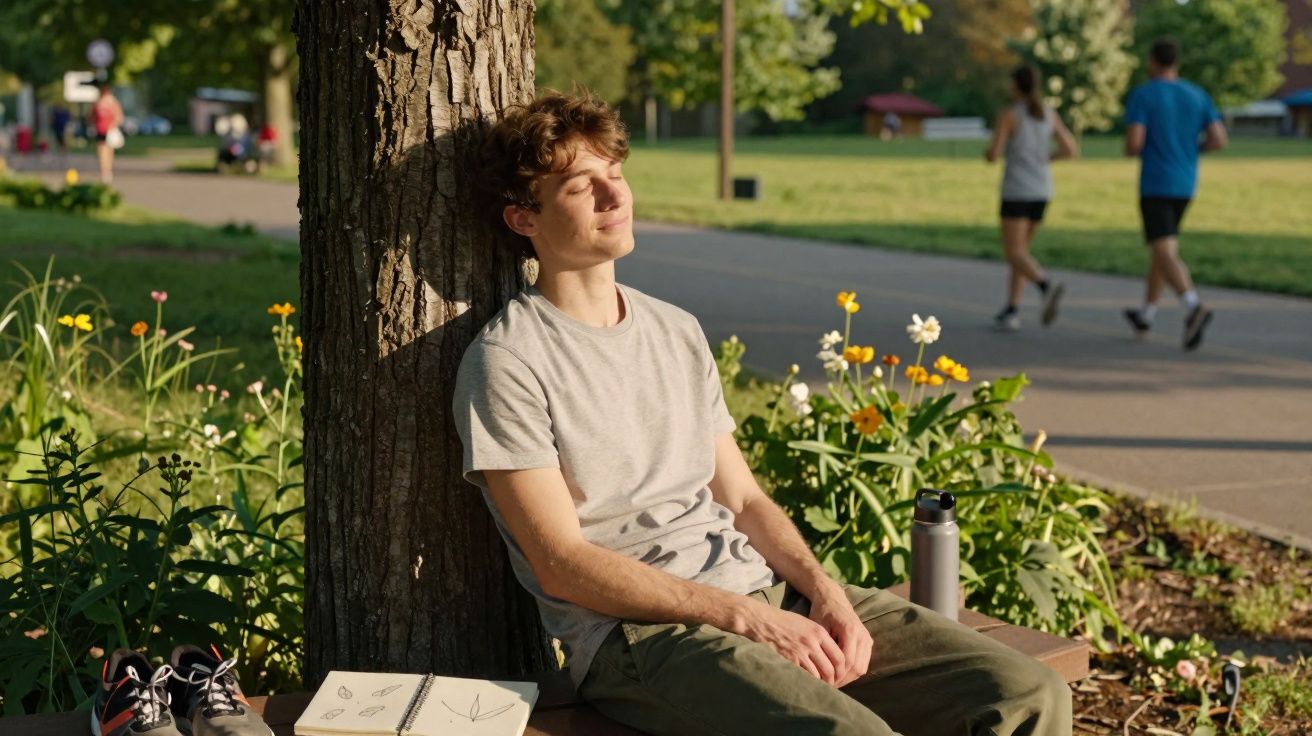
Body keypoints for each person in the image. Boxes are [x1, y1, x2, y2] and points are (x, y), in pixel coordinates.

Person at [451, 90, 1071, 736]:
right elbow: (562, 562)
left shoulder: (676, 330)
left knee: (1030, 693)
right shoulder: (507, 362)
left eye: (617, 174)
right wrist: (745, 618)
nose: (615, 197)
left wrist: (826, 592)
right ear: (525, 219)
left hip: (764, 590)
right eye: (583, 186)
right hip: (643, 640)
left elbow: (743, 498)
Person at [1123, 38, 1227, 350]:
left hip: (1157, 182)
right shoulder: (1197, 94)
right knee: (1161, 248)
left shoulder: (1144, 95)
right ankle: (1147, 313)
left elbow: (1134, 143)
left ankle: (1193, 305)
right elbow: (1219, 138)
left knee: (1165, 251)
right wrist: (1192, 150)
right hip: (1185, 182)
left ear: (1153, 61)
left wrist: (1135, 148)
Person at [985, 66, 1079, 332]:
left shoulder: (1010, 115)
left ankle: (1044, 285)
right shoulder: (1047, 114)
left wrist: (989, 154)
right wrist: (1046, 158)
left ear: (1015, 85)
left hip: (1017, 190)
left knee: (1013, 252)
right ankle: (1012, 308)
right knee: (1022, 253)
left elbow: (995, 152)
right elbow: (1070, 149)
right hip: (1042, 189)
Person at [90, 84, 124, 183]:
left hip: (110, 131)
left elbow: (119, 117)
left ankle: (108, 170)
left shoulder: (113, 103)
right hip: (100, 130)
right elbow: (92, 116)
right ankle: (104, 171)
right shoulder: (97, 104)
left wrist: (113, 126)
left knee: (109, 152)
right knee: (102, 152)